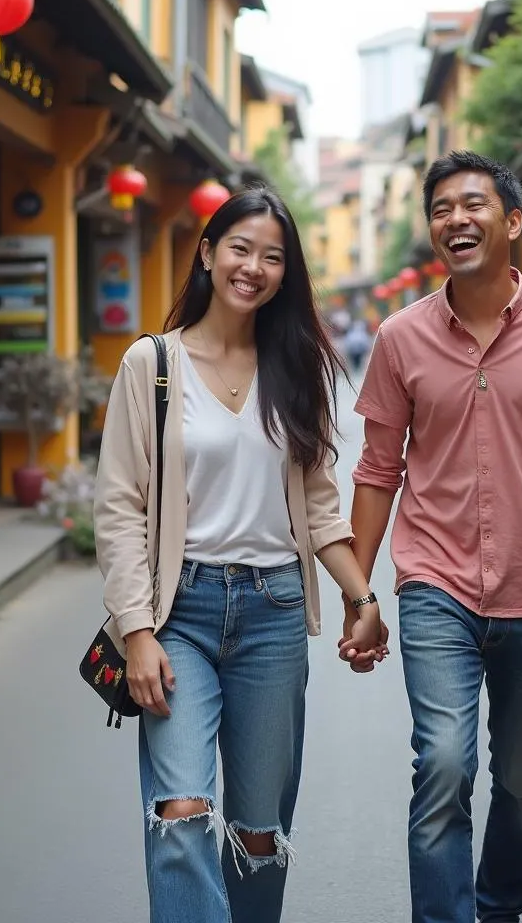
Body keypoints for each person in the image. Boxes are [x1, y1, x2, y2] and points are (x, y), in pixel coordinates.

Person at [340, 150, 522, 923]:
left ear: (512, 221)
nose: (455, 220)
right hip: (435, 585)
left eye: (473, 205)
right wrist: (360, 592)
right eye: (441, 208)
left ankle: (498, 908)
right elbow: (378, 470)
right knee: (441, 765)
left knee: (520, 781)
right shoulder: (400, 339)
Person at [94, 187, 388, 923]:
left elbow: (320, 504)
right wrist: (135, 633)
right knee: (181, 812)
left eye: (272, 256)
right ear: (207, 253)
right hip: (178, 615)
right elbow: (119, 507)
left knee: (256, 836)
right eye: (239, 248)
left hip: (274, 613)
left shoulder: (296, 368)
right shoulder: (151, 365)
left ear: (286, 274)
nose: (252, 266)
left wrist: (362, 598)